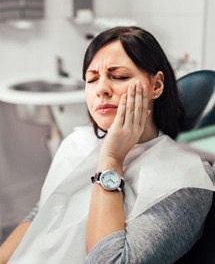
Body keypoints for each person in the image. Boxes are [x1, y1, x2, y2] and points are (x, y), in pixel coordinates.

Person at [0, 26, 214, 263]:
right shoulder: (76, 143)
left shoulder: (186, 180)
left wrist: (112, 159)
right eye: (92, 79)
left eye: (119, 76)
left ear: (156, 85)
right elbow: (42, 213)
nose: (101, 89)